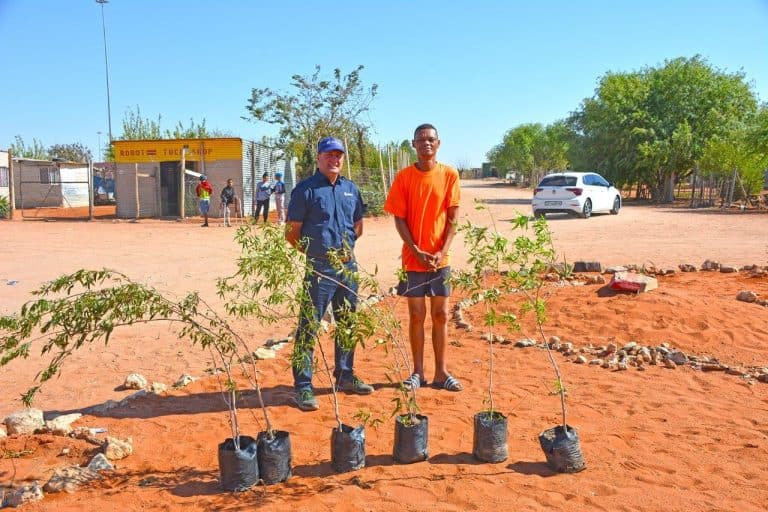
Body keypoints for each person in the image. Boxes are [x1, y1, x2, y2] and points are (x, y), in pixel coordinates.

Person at [285, 136, 373, 411]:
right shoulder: (306, 190)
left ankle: (345, 376)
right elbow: (292, 233)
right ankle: (303, 386)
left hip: (348, 267)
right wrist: (317, 254)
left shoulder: (350, 189)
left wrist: (345, 250)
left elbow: (358, 225)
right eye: (329, 155)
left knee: (347, 322)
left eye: (338, 156)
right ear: (319, 158)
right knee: (309, 326)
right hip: (320, 267)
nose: (334, 160)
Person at [383, 123, 463, 392]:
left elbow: (453, 219)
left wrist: (442, 250)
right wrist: (415, 249)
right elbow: (399, 218)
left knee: (440, 314)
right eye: (421, 140)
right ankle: (418, 372)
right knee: (416, 316)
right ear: (413, 144)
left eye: (431, 139)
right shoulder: (404, 177)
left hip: (441, 259)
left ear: (438, 143)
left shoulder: (450, 175)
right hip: (413, 259)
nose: (426, 143)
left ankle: (441, 372)